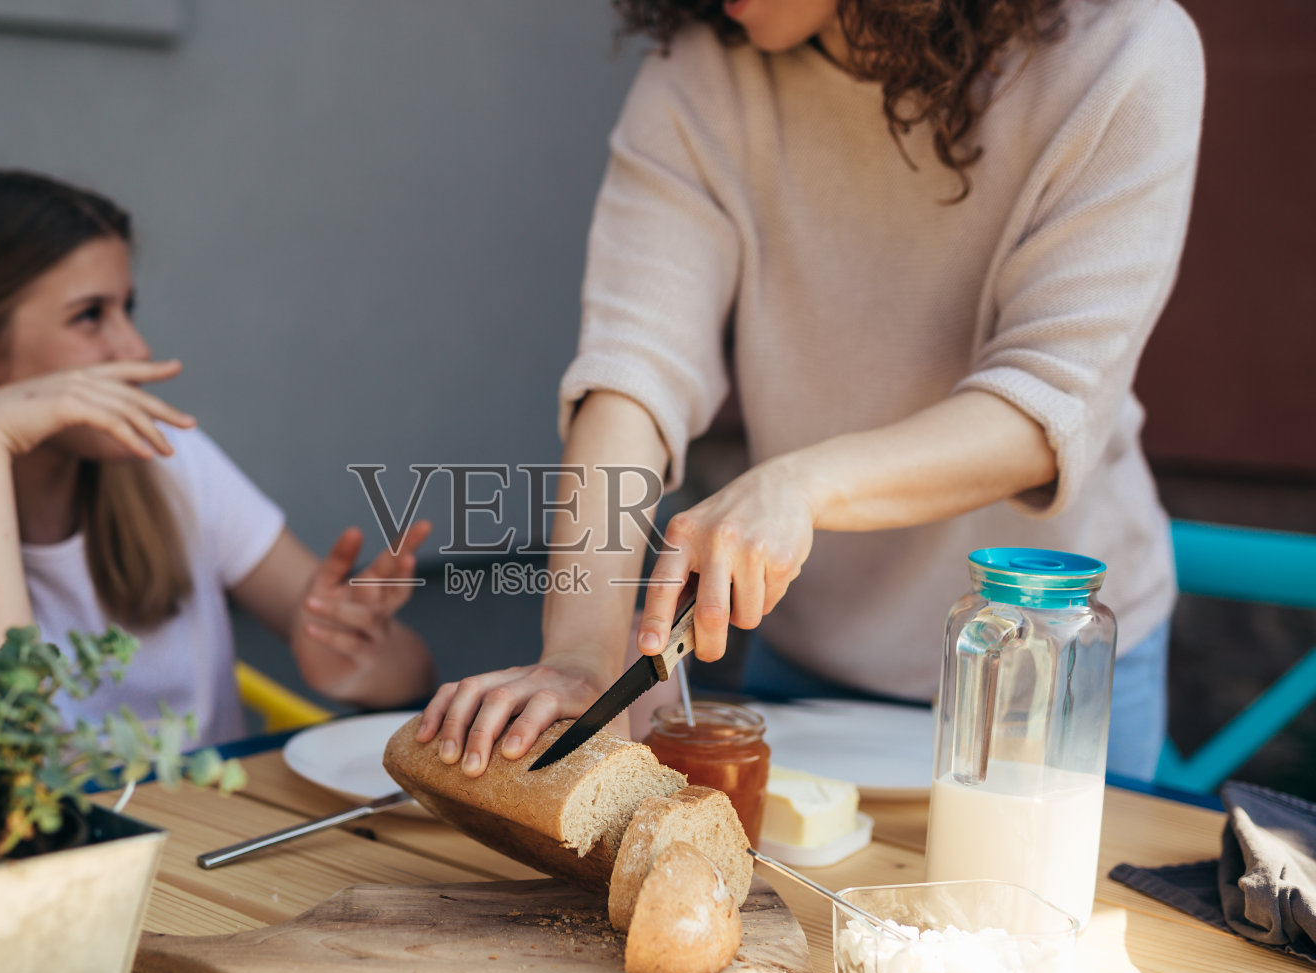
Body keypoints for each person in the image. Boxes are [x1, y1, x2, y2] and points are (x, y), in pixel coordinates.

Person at [418, 0, 1201, 780]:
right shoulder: (703, 70)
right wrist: (582, 657)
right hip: (810, 666)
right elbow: (632, 370)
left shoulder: (1124, 52)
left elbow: (1044, 408)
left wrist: (800, 484)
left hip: (1047, 665)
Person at [0, 167, 434, 745]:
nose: (132, 347)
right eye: (89, 316)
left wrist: (357, 661)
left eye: (126, 309)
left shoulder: (176, 466)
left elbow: (413, 673)